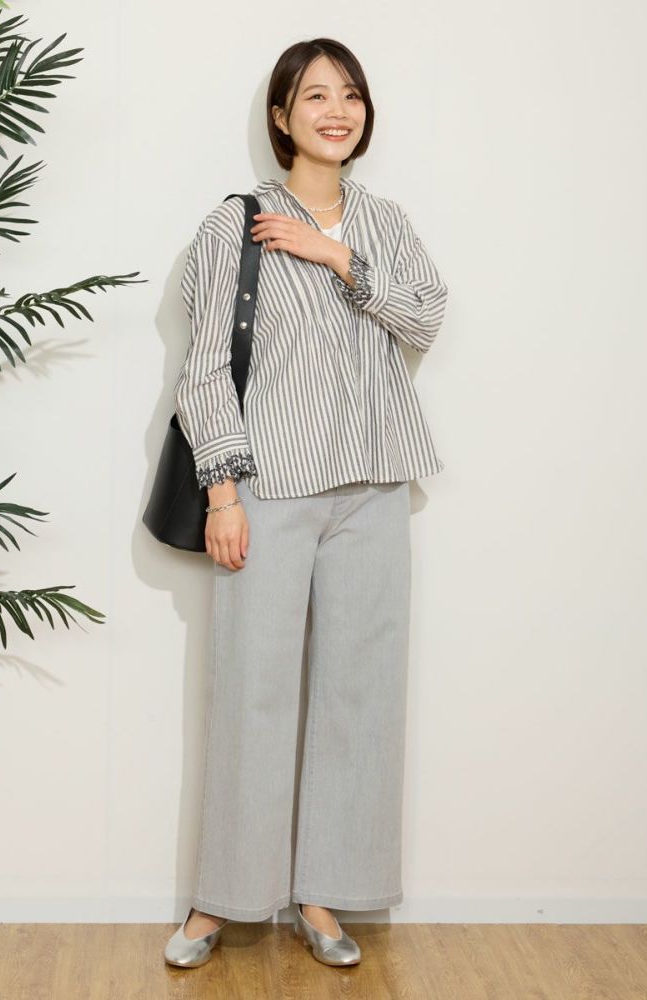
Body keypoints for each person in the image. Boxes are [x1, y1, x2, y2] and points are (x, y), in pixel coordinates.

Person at [164, 37, 449, 969]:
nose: (338, 110)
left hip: (373, 483)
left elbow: (426, 315)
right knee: (252, 691)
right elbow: (206, 368)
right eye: (316, 95)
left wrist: (335, 255)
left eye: (351, 94)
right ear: (282, 116)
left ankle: (324, 894)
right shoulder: (235, 224)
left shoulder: (385, 222)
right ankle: (222, 899)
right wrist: (222, 492)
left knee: (361, 696)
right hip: (270, 487)